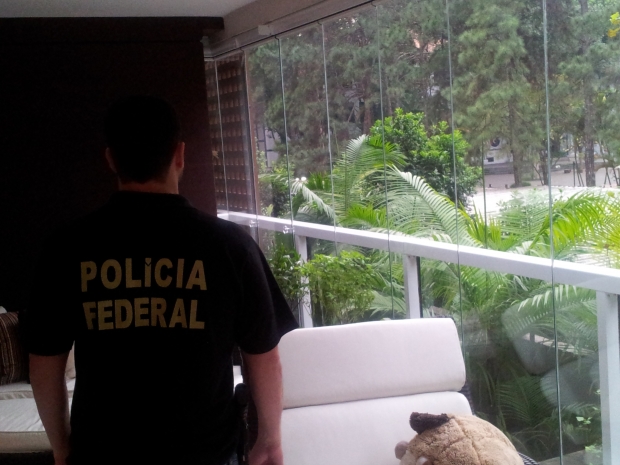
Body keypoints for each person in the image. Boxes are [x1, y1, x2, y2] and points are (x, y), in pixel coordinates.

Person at [22, 95, 298, 465]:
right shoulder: (231, 247)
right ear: (179, 154)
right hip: (207, 454)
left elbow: (44, 361)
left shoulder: (67, 247)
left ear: (111, 159)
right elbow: (264, 356)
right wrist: (270, 440)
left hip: (102, 453)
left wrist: (61, 446)